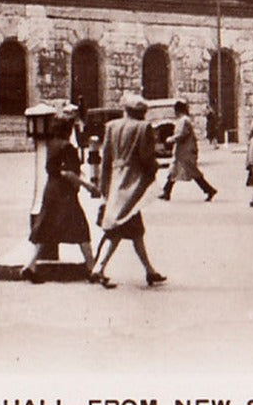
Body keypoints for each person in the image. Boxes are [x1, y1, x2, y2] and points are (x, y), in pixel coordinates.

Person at [90, 94, 165, 288]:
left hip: (116, 180)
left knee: (135, 230)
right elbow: (147, 157)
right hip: (133, 181)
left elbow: (105, 157)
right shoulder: (143, 127)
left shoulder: (112, 126)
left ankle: (150, 271)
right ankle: (98, 269)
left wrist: (103, 185)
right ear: (142, 113)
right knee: (118, 228)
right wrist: (153, 172)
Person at [21, 112, 100, 283]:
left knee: (46, 227)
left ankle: (30, 265)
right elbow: (68, 173)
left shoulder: (52, 144)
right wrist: (88, 186)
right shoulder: (68, 147)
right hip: (64, 193)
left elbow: (55, 168)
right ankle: (92, 268)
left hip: (50, 189)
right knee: (81, 229)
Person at [158, 100, 216, 201]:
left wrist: (170, 139)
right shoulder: (184, 120)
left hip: (186, 151)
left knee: (193, 172)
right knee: (173, 171)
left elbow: (181, 134)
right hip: (183, 151)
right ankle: (166, 192)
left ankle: (209, 190)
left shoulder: (183, 121)